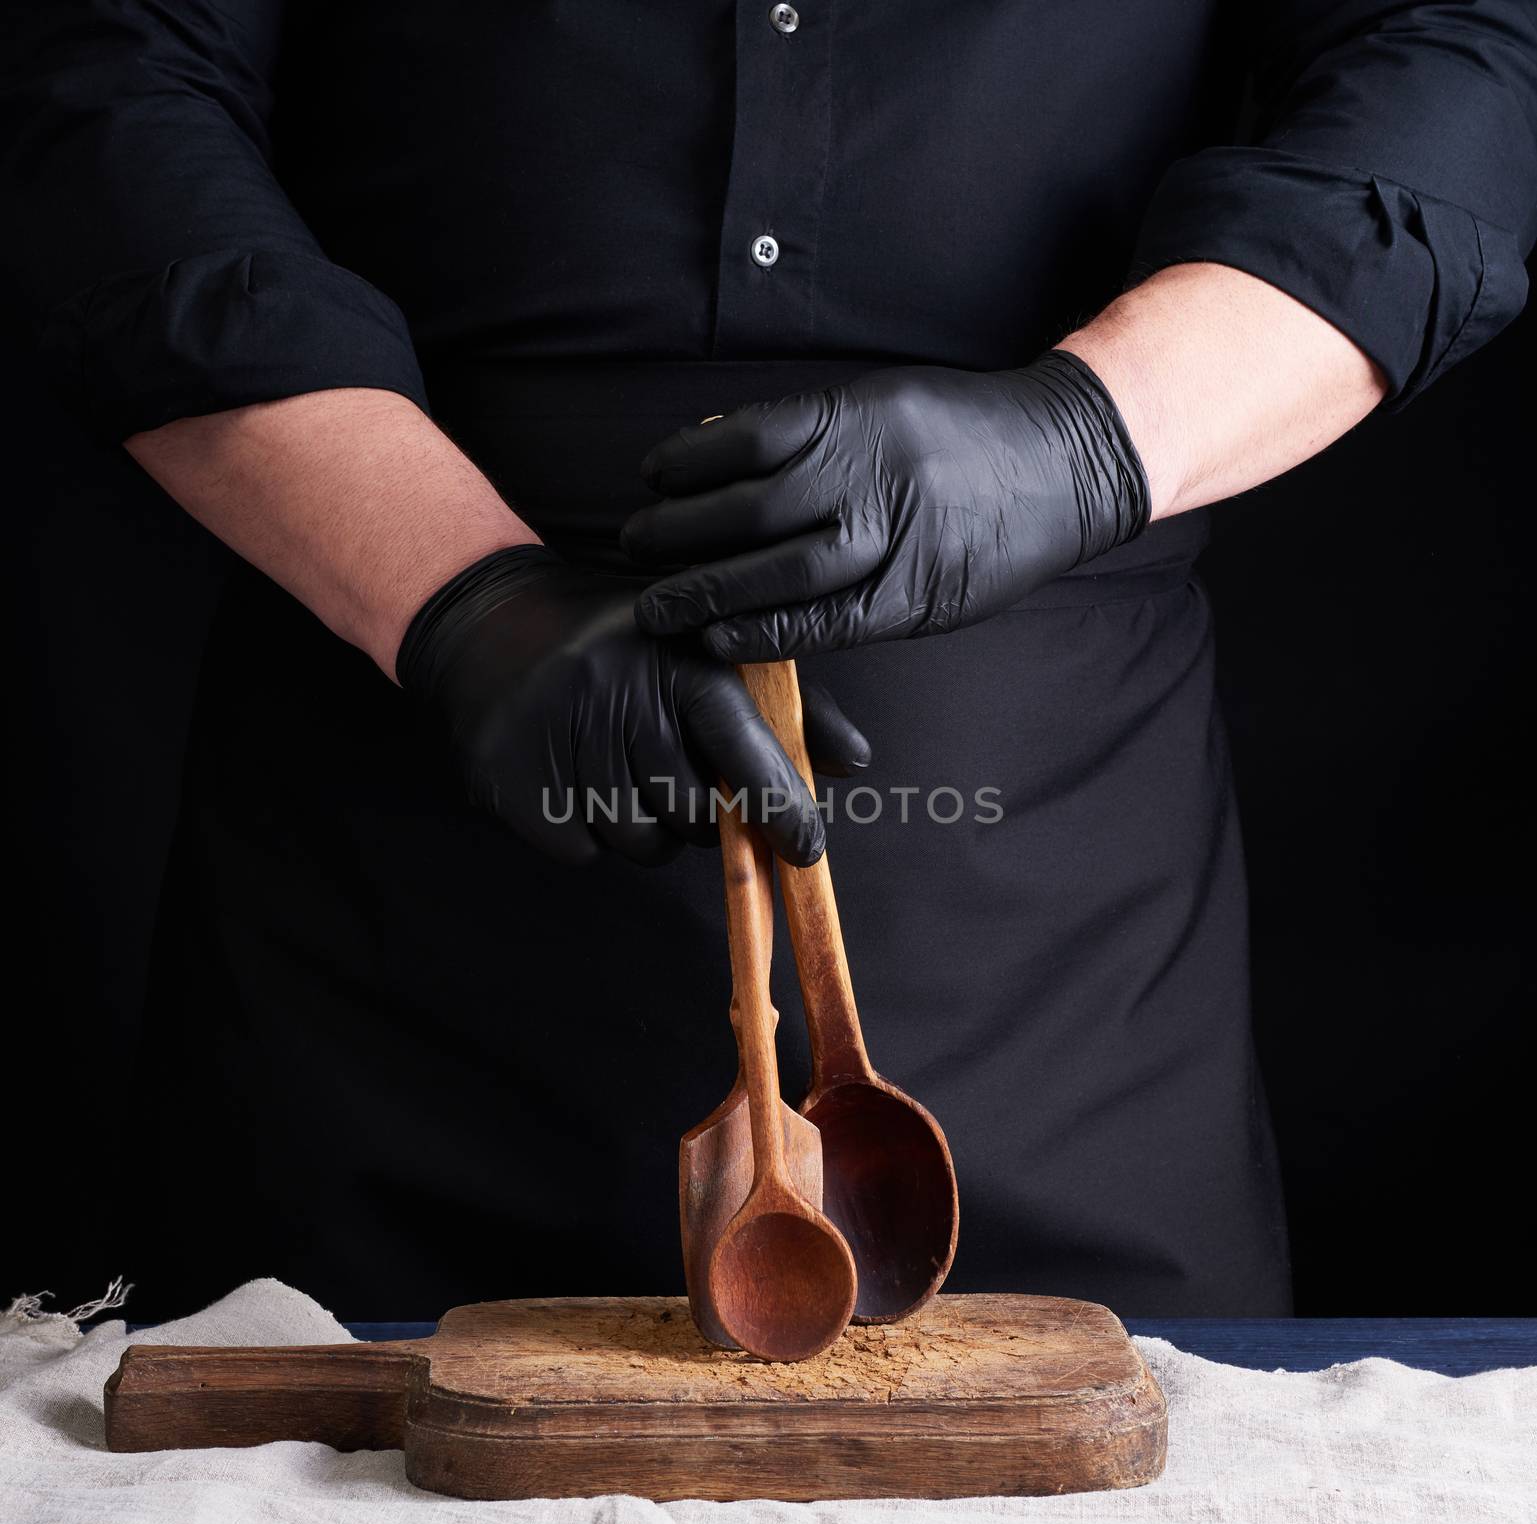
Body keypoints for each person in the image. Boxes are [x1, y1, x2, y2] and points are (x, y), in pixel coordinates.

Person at [3, 3, 1533, 1321]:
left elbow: (1456, 61)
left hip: (1054, 938)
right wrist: (456, 598)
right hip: (385, 880)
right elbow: (106, 95)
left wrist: (1087, 438)